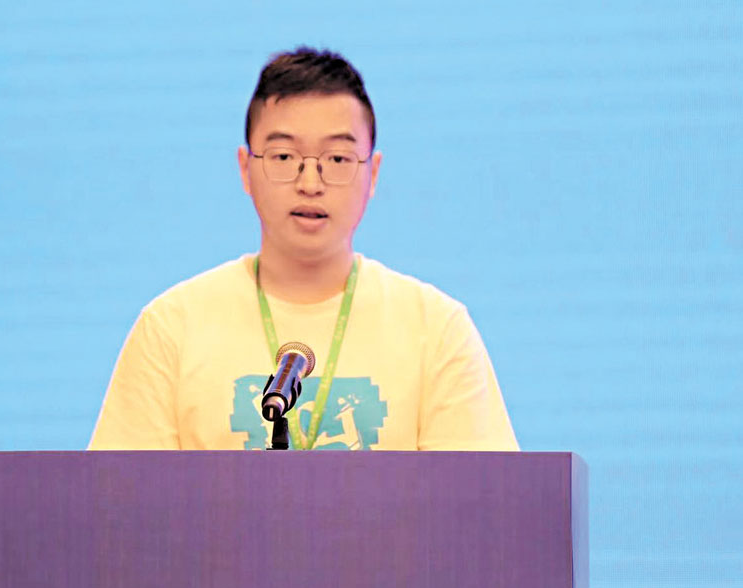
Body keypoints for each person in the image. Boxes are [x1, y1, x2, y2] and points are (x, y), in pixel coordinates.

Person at [89, 47, 518, 451]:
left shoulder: (437, 330)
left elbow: (479, 498)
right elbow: (120, 498)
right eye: (283, 157)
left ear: (372, 174)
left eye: (337, 159)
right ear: (245, 168)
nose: (310, 183)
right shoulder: (172, 329)